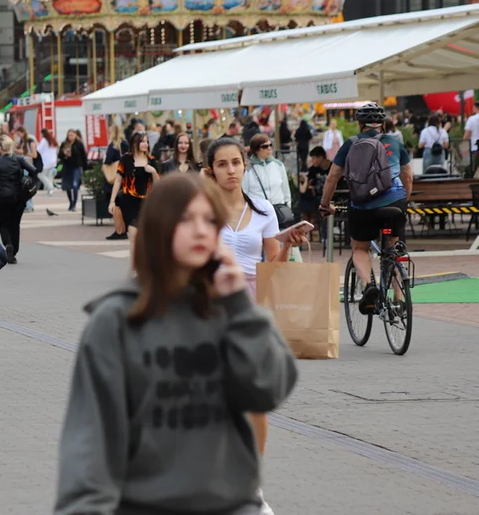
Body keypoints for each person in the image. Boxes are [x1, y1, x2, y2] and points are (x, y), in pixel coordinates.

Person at [55, 175, 298, 515]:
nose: (201, 229)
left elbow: (268, 389)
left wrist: (240, 305)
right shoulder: (116, 319)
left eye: (210, 220)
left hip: (233, 504)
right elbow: (91, 435)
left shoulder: (230, 310)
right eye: (186, 219)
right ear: (158, 229)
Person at [205, 136, 307, 515]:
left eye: (236, 162)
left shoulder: (263, 209)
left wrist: (289, 244)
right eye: (222, 164)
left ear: (245, 165)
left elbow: (271, 269)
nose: (231, 170)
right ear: (211, 170)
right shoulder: (201, 212)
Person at [320, 103, 413, 316]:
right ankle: (399, 300)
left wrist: (325, 204)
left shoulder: (351, 144)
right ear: (382, 123)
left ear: (359, 123)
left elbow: (333, 176)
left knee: (360, 248)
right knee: (395, 248)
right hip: (395, 202)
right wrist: (404, 202)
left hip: (364, 205)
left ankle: (369, 286)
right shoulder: (395, 143)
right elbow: (408, 175)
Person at [108, 131, 159, 257]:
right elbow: (118, 180)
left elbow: (159, 183)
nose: (145, 144)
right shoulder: (125, 159)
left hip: (146, 203)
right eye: (142, 141)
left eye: (147, 141)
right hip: (129, 202)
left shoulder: (151, 161)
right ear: (135, 143)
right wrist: (112, 201)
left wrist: (153, 172)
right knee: (133, 235)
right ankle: (134, 268)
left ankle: (144, 265)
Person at [0, 135, 36, 264]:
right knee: (15, 224)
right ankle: (14, 251)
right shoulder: (19, 159)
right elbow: (33, 170)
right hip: (17, 196)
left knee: (3, 223)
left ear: (0, 148)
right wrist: (27, 181)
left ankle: (8, 244)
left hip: (2, 196)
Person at [243, 134, 292, 226]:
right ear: (256, 149)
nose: (269, 148)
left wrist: (288, 207)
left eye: (270, 145)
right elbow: (245, 193)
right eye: (265, 146)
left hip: (279, 212)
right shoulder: (248, 169)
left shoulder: (279, 165)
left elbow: (286, 190)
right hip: (258, 212)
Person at [103, 125, 129, 241]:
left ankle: (119, 230)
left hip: (114, 178)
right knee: (123, 205)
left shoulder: (113, 145)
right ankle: (123, 228)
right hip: (125, 177)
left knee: (115, 205)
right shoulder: (125, 144)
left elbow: (108, 160)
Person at [58, 129, 87, 212]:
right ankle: (71, 202)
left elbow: (83, 156)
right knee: (67, 186)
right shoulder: (64, 144)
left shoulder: (78, 144)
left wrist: (85, 168)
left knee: (75, 185)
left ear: (75, 135)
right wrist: (64, 153)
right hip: (67, 167)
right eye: (69, 135)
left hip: (76, 167)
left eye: (72, 135)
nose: (70, 137)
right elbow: (59, 155)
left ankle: (74, 204)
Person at [37, 127, 59, 196]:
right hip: (53, 161)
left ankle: (50, 188)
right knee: (49, 176)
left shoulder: (44, 140)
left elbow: (39, 149)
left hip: (46, 161)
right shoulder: (53, 140)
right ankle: (50, 191)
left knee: (41, 175)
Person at [463, 101, 479, 174]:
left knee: (473, 171)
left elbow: (467, 136)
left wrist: (464, 149)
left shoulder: (472, 119)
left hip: (474, 148)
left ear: (476, 108)